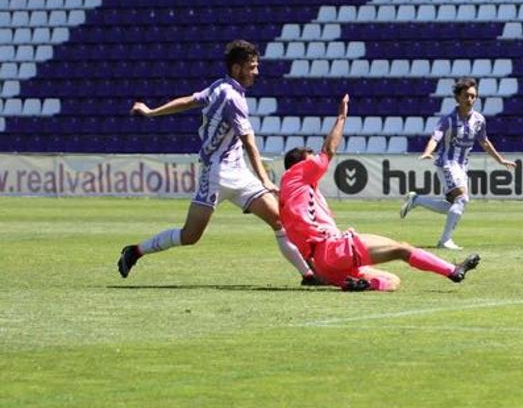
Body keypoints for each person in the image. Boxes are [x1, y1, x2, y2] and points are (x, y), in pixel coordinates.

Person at [116, 39, 316, 284]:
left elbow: (189, 100)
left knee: (278, 220)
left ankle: (308, 275)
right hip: (217, 175)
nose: (256, 72)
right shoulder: (232, 98)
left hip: (239, 172)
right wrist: (265, 180)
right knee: (190, 236)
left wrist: (151, 111)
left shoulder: (219, 87)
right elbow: (249, 142)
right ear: (236, 69)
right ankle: (135, 251)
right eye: (252, 67)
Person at [280, 94, 480, 292]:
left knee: (391, 280)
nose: (316, 161)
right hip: (333, 249)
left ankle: (363, 285)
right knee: (402, 249)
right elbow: (328, 150)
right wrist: (341, 117)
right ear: (299, 165)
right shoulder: (297, 174)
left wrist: (323, 274)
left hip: (323, 264)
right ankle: (453, 270)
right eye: (311, 158)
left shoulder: (290, 194)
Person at [399, 77, 515, 250]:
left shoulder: (479, 119)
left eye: (473, 96)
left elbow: (484, 142)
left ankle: (417, 200)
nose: (470, 99)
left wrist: (500, 159)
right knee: (462, 198)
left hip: (462, 166)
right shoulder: (448, 120)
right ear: (458, 98)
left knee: (454, 205)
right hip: (447, 163)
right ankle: (445, 241)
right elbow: (435, 137)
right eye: (466, 96)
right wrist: (428, 152)